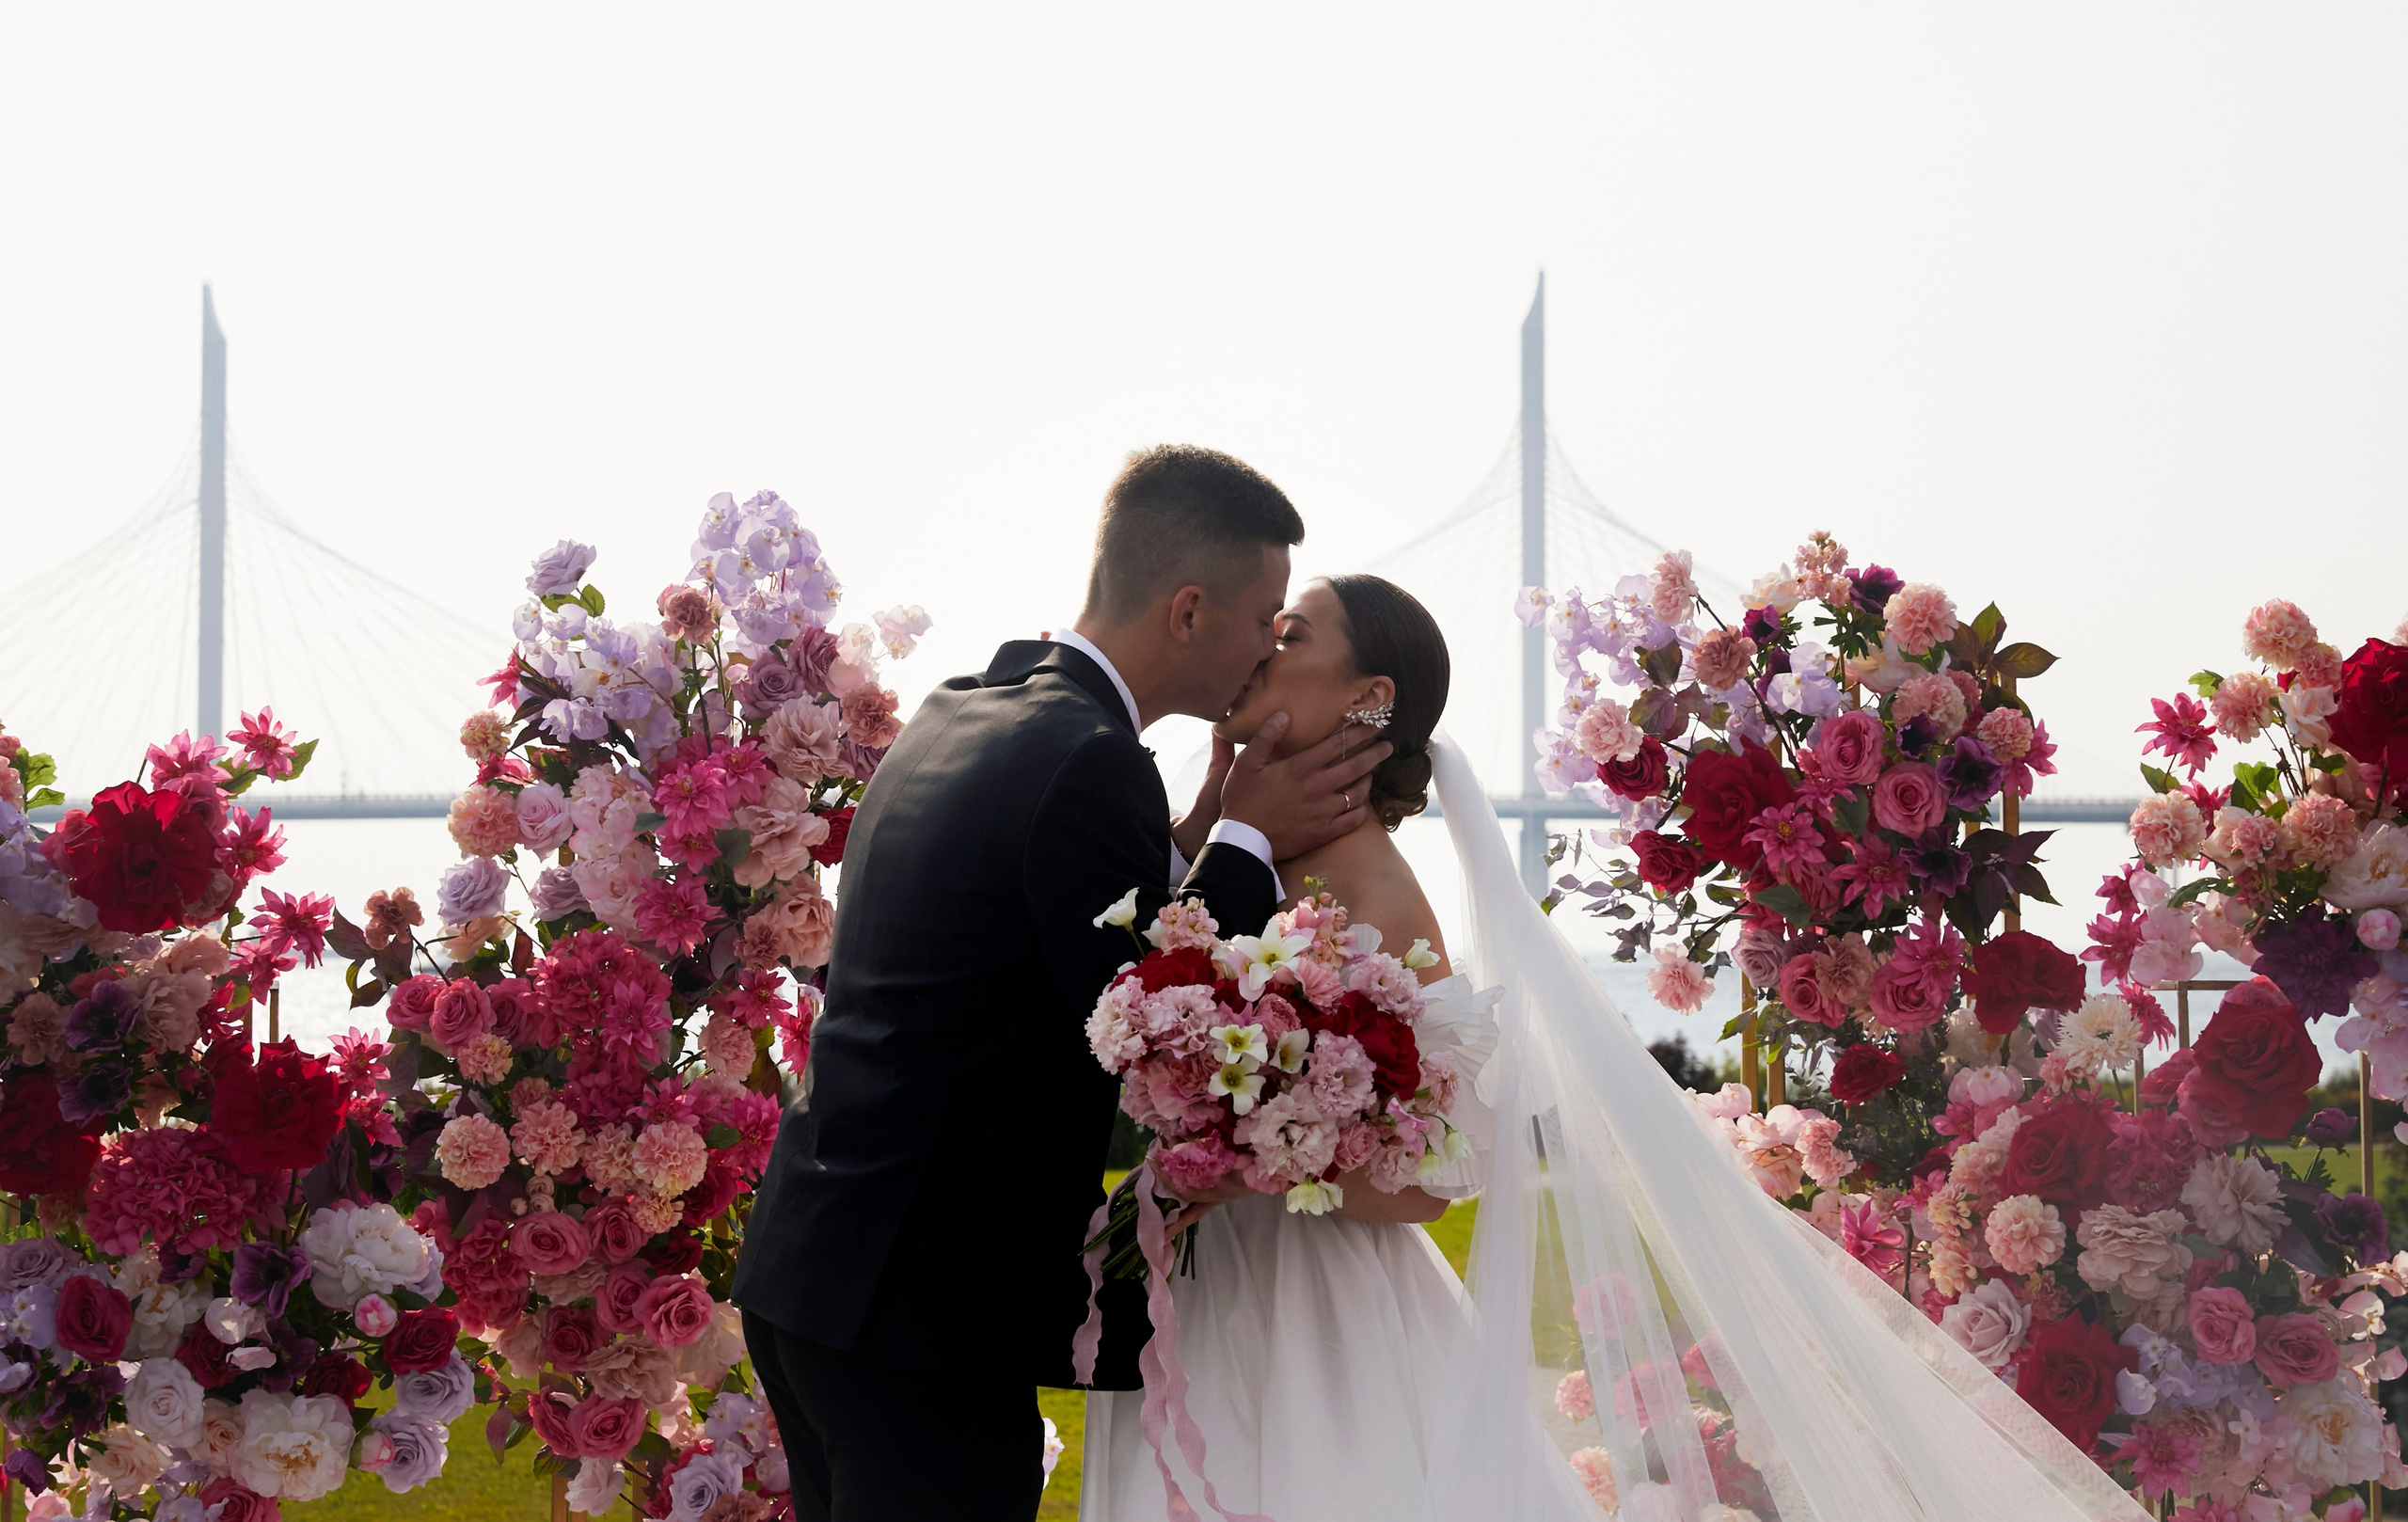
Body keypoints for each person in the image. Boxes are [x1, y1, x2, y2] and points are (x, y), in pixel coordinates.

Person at [1082, 574, 2151, 1522]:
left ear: (1369, 700)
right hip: (1212, 1289)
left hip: (1316, 1318)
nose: (1263, 646)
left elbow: (1431, 1176)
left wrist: (1255, 1153)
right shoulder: (1243, 854)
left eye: (1293, 633)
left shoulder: (1371, 891)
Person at [732, 445, 1390, 1522]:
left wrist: (1196, 838)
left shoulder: (968, 706)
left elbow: (1039, 926)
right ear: (1187, 611)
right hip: (916, 1318)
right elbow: (1154, 1026)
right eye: (1262, 616)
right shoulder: (1091, 761)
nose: (1266, 647)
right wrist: (1249, 842)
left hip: (814, 1270)